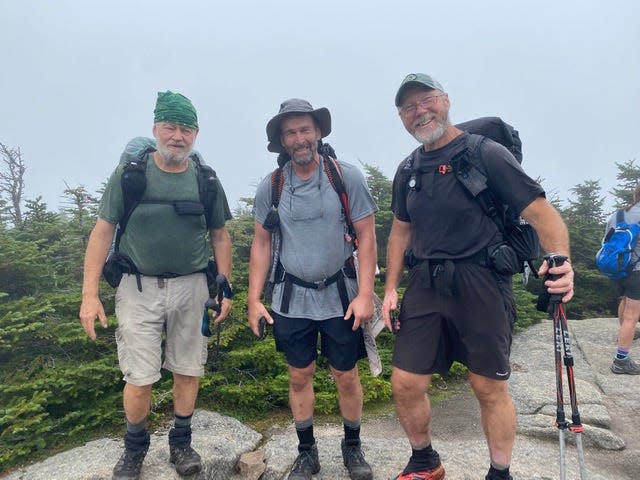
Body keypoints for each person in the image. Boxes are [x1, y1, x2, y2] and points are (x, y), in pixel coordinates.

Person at [382, 73, 575, 480]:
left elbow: (541, 213)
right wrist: (390, 289)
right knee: (405, 382)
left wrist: (560, 261)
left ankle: (499, 472)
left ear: (446, 100)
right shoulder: (408, 169)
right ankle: (425, 461)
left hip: (482, 282)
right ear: (401, 116)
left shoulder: (485, 153)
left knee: (488, 386)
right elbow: (401, 231)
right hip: (425, 284)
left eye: (426, 100)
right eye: (409, 107)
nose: (420, 112)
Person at [79, 91, 233, 479]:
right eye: (170, 126)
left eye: (185, 128)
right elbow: (102, 233)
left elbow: (220, 235)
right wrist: (89, 296)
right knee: (139, 376)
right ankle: (135, 448)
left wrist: (224, 285)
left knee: (187, 368)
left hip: (194, 287)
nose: (177, 136)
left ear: (196, 133)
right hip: (137, 287)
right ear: (155, 129)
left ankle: (181, 443)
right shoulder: (130, 174)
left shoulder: (206, 179)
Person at [247, 99, 378, 480]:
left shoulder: (345, 177)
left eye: (305, 129)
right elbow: (261, 244)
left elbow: (368, 237)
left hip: (341, 295)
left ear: (318, 132)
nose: (300, 138)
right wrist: (254, 299)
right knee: (299, 376)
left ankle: (352, 448)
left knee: (346, 375)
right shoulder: (272, 186)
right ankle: (308, 453)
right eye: (291, 132)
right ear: (282, 140)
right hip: (291, 297)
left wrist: (365, 293)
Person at [606, 184, 640, 375]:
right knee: (632, 316)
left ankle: (626, 334)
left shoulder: (618, 214)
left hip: (618, 268)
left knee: (625, 301)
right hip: (637, 270)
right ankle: (621, 361)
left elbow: (606, 241)